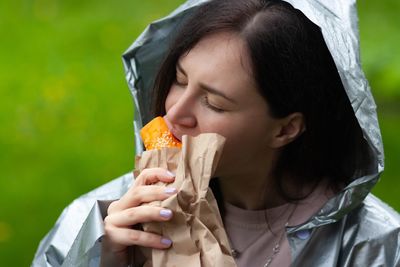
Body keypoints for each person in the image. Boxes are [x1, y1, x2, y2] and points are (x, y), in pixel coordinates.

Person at [32, 0, 400, 266]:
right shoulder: (102, 220)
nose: (174, 112)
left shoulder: (374, 247)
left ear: (286, 129)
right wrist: (100, 259)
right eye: (179, 80)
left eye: (214, 103)